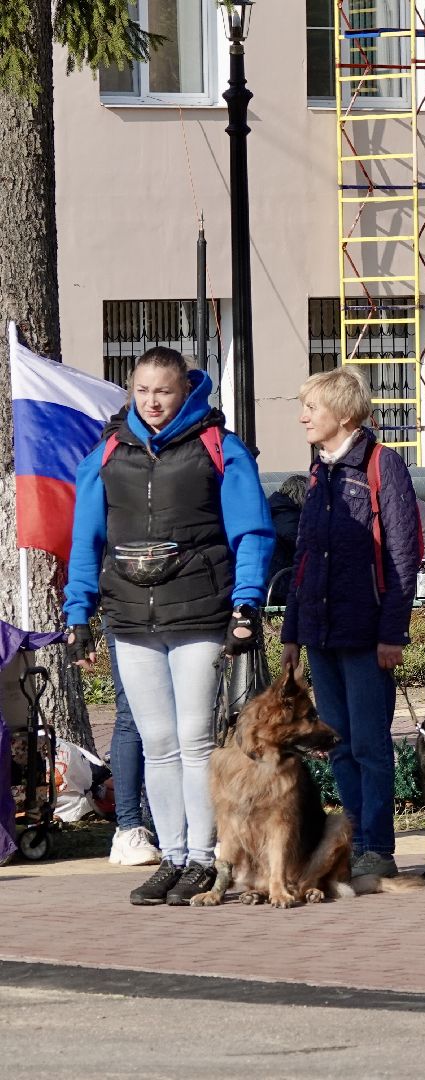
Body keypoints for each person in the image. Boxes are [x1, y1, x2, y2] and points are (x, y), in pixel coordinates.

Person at [64, 346, 274, 905]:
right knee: (156, 743)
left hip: (200, 612)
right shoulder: (108, 452)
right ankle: (174, 857)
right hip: (131, 616)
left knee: (194, 740)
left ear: (186, 390)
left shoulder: (219, 448)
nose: (152, 402)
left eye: (164, 391)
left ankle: (205, 859)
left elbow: (251, 532)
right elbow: (84, 539)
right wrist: (78, 613)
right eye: (142, 391)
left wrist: (247, 605)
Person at [280, 367, 420, 880]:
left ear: (343, 414)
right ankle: (352, 841)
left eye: (311, 408)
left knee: (370, 745)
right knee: (335, 744)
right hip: (320, 634)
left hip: (366, 635)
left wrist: (392, 633)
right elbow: (302, 559)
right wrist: (292, 632)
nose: (303, 417)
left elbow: (404, 555)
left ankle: (376, 847)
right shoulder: (319, 473)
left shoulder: (384, 466)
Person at [104, 627, 161, 866]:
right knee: (130, 715)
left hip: (184, 613)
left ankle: (178, 829)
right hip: (127, 617)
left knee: (184, 720)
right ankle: (129, 829)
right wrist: (79, 617)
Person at [264, 474, 307, 605]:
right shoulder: (289, 516)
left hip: (268, 578)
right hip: (281, 583)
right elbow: (303, 546)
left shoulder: (272, 508)